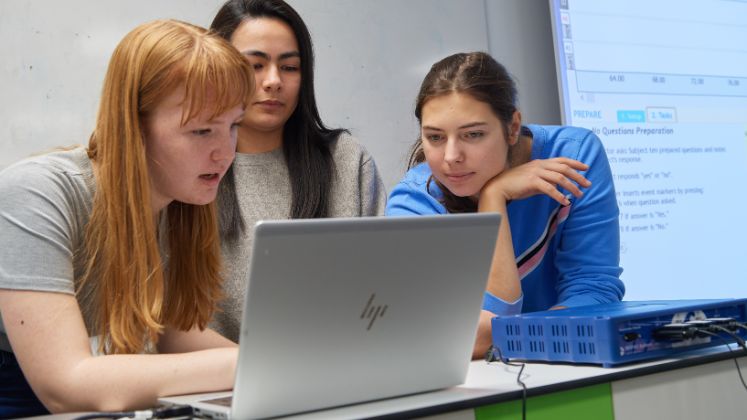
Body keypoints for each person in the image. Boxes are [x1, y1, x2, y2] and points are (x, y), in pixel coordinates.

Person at [0, 19, 254, 416]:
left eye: (234, 125)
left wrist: (285, 366)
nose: (226, 153)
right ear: (134, 125)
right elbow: (67, 385)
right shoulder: (35, 193)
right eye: (202, 131)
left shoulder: (177, 199)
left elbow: (172, 334)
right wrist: (252, 365)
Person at [386, 52, 624, 359]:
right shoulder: (415, 202)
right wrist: (494, 197)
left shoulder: (573, 156)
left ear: (512, 127)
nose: (451, 157)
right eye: (435, 137)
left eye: (473, 135)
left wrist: (522, 341)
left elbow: (595, 291)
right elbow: (439, 334)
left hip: (566, 364)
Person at [209, 0, 387, 341]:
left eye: (289, 68)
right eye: (255, 65)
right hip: (218, 380)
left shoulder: (346, 160)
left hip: (344, 364)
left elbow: (382, 288)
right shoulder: (193, 168)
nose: (274, 81)